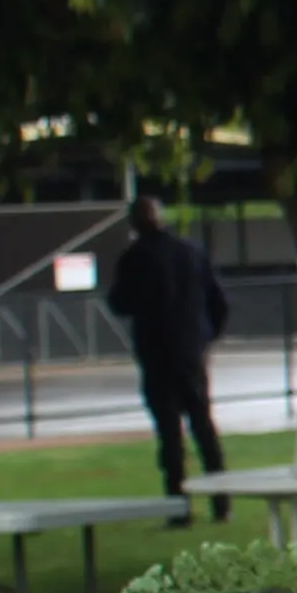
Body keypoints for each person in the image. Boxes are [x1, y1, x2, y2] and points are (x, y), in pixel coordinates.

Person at [107, 195, 231, 516]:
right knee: (203, 423)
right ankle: (222, 500)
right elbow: (218, 300)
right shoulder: (191, 252)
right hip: (190, 350)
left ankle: (178, 503)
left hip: (156, 351)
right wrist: (205, 337)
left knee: (169, 430)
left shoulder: (134, 258)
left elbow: (119, 302)